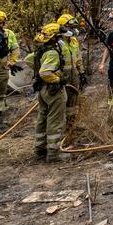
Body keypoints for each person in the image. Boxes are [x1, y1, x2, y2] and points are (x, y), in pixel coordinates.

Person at [26, 22, 70, 162]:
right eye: (59, 36)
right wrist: (57, 79)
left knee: (42, 118)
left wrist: (39, 74)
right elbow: (45, 72)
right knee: (54, 121)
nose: (61, 39)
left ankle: (39, 149)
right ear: (54, 38)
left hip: (43, 89)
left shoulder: (41, 50)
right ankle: (53, 153)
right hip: (54, 91)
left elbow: (28, 60)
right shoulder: (52, 52)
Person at [56, 13, 86, 130]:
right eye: (70, 27)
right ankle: (58, 127)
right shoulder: (57, 42)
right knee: (61, 101)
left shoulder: (73, 41)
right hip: (62, 77)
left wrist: (82, 72)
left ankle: (71, 124)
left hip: (74, 75)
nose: (73, 30)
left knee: (73, 100)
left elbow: (78, 58)